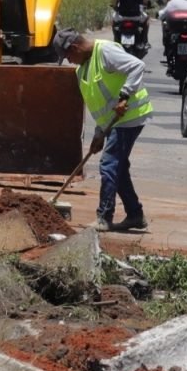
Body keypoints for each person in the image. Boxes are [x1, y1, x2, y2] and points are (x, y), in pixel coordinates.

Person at [52, 29, 153, 232]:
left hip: (129, 116)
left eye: (69, 56)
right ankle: (135, 214)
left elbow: (137, 65)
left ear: (75, 47)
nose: (70, 61)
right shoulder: (81, 71)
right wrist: (99, 133)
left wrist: (124, 95)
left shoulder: (105, 51)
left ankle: (104, 216)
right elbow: (101, 105)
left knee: (109, 164)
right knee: (119, 168)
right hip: (112, 122)